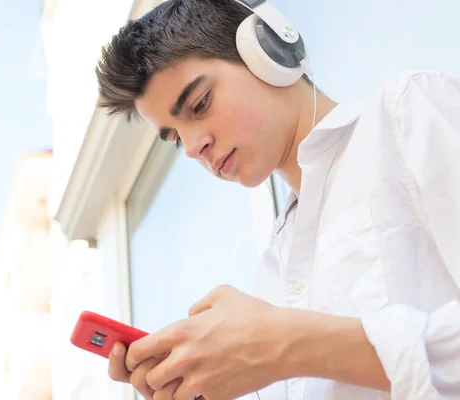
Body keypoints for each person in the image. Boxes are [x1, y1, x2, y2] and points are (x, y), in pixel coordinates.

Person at [94, 0, 460, 398]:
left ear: (267, 51)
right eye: (176, 138)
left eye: (200, 104)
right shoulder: (276, 268)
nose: (194, 147)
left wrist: (287, 345)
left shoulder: (407, 114)